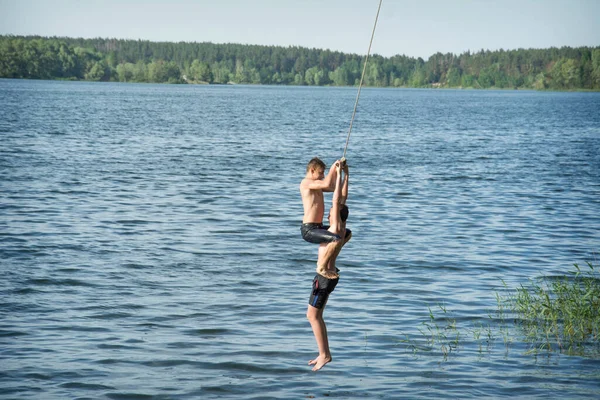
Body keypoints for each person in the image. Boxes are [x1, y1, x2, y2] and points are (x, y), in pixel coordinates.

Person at [306, 161, 351, 372]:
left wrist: (339, 173)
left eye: (331, 211)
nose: (329, 212)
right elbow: (342, 198)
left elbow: (337, 199)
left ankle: (325, 354)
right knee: (316, 316)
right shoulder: (339, 229)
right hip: (328, 277)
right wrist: (345, 176)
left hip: (324, 277)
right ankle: (324, 353)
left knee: (312, 316)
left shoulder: (335, 227)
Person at [300, 157, 351, 272]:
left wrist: (344, 174)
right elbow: (327, 183)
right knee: (335, 239)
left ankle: (329, 260)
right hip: (309, 230)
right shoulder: (306, 183)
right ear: (312, 170)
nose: (323, 175)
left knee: (346, 234)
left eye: (324, 173)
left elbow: (336, 189)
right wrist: (334, 167)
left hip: (319, 227)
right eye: (321, 172)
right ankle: (321, 267)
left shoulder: (318, 186)